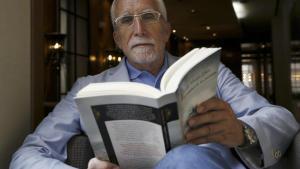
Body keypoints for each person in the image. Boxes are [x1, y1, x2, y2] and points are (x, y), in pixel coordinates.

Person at [10, 0, 299, 169]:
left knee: (187, 157)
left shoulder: (214, 74)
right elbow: (25, 156)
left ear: (166, 29)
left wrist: (242, 132)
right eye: (126, 21)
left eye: (149, 17)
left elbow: (282, 120)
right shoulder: (88, 87)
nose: (139, 30)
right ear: (117, 38)